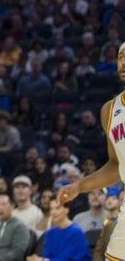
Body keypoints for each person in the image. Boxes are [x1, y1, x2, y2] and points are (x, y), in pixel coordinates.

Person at [58, 42, 125, 261]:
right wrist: (79, 186)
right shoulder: (110, 110)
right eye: (121, 57)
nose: (124, 62)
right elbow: (116, 165)